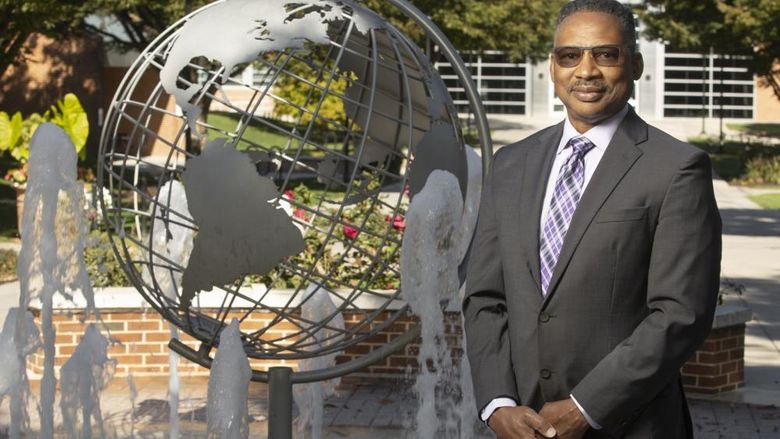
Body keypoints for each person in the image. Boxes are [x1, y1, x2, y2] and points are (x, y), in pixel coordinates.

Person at [462, 1, 722, 438]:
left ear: (635, 64)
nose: (586, 70)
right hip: (521, 424)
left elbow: (681, 313)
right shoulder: (511, 164)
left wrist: (586, 408)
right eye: (570, 56)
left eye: (606, 54)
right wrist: (497, 403)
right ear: (552, 67)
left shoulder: (677, 168)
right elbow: (485, 297)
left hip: (629, 426)